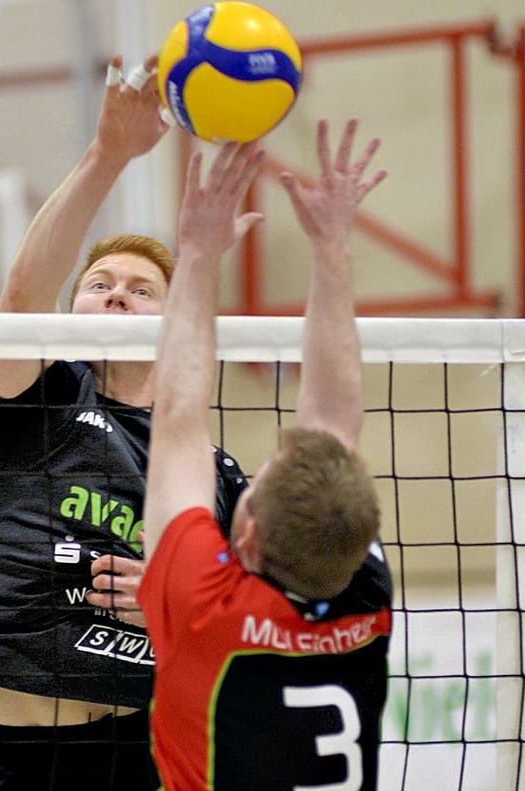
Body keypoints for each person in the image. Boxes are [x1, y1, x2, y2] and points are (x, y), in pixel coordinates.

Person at [0, 54, 248, 790]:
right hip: (39, 746)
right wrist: (108, 154)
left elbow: (257, 620)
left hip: (162, 744)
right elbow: (22, 298)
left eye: (141, 288)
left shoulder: (210, 467)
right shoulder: (39, 398)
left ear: (175, 315)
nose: (116, 296)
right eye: (99, 284)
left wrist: (173, 609)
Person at [139, 119, 393, 790]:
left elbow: (177, 421)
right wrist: (332, 245)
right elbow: (332, 423)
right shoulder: (357, 586)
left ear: (244, 534)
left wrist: (194, 253)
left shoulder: (206, 608)